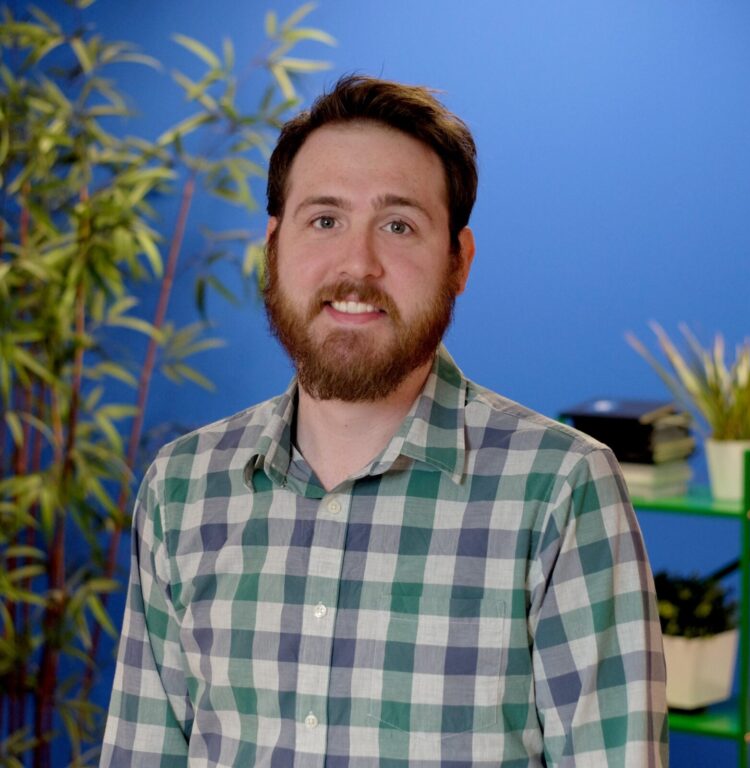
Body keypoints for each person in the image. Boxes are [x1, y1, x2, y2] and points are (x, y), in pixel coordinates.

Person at [101, 75, 668, 767]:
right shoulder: (182, 489)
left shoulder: (560, 491)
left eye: (398, 225)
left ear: (459, 262)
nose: (357, 265)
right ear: (274, 246)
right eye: (325, 219)